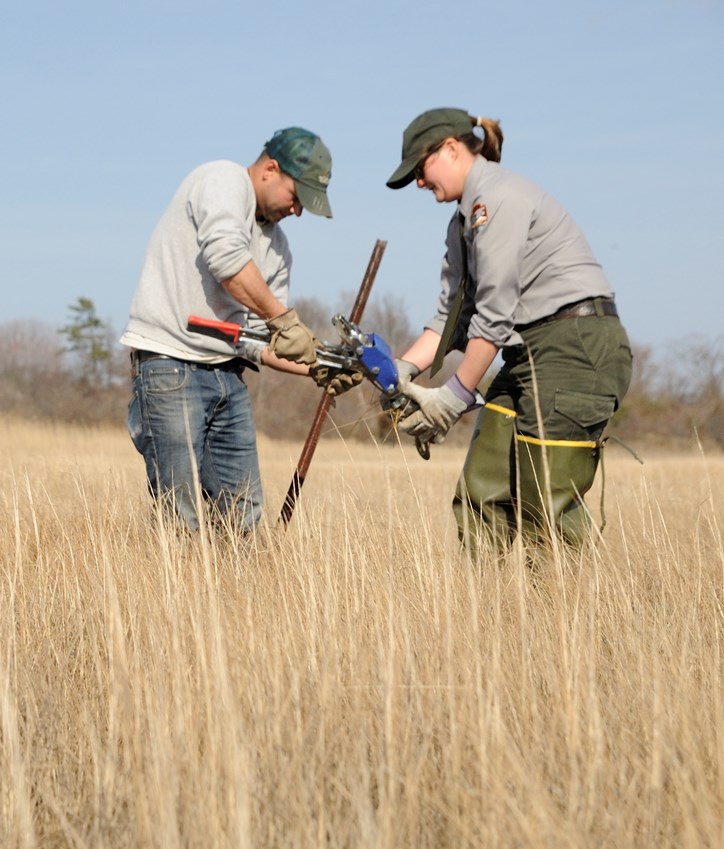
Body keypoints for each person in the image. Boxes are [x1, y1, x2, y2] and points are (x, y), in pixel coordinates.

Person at [385, 108, 633, 557]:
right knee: (482, 492)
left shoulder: (497, 200)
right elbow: (451, 318)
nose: (419, 184)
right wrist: (401, 371)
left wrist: (454, 396)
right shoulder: (461, 222)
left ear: (451, 149)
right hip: (528, 355)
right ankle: (487, 619)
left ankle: (565, 623)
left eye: (419, 171)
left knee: (547, 514)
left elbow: (494, 315)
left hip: (575, 348)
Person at [120, 126, 361, 532]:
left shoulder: (278, 248)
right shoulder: (222, 180)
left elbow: (258, 341)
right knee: (179, 515)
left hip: (227, 377)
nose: (298, 211)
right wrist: (283, 320)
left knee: (241, 514)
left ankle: (232, 594)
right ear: (270, 168)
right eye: (297, 196)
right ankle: (174, 593)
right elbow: (228, 261)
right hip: (170, 366)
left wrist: (320, 366)